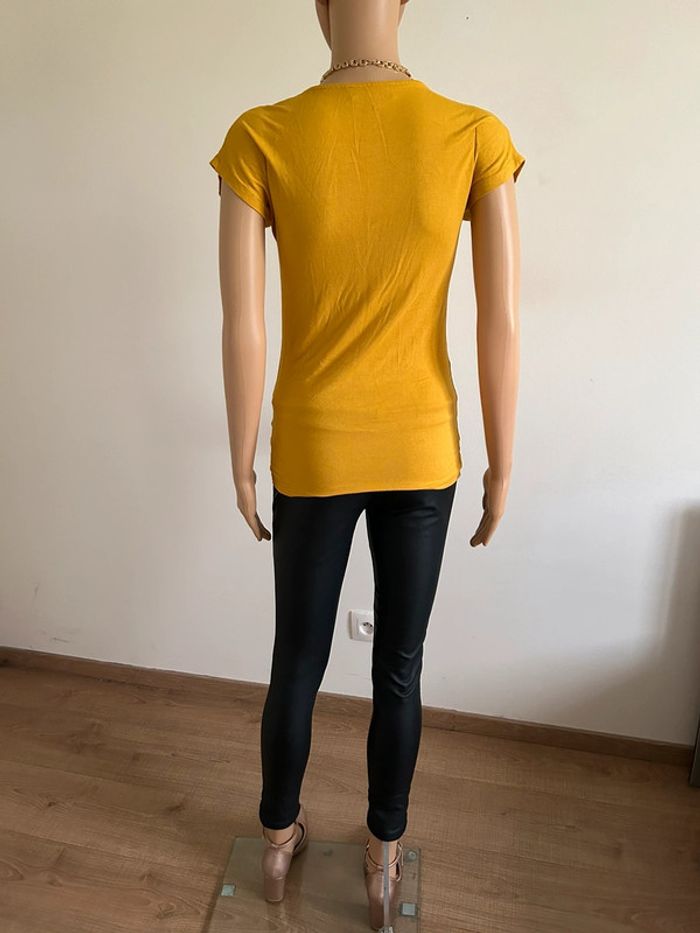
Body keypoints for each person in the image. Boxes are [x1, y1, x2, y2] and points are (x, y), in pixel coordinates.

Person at [209, 0, 525, 926]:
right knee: (401, 666)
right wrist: (503, 463)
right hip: (422, 446)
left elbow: (241, 322)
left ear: (320, 8)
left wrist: (241, 459)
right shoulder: (471, 134)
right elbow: (502, 320)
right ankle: (385, 855)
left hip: (313, 444)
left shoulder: (263, 136)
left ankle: (277, 839)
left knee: (296, 659)